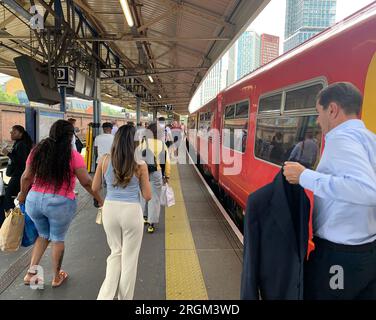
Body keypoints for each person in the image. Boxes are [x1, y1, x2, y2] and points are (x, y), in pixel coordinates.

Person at [283, 82, 376, 300]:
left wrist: (304, 176)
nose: (317, 120)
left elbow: (366, 190)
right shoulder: (370, 139)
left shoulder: (340, 138)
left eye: (318, 112)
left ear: (332, 109)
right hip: (368, 252)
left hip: (340, 256)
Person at [18, 120, 103, 288]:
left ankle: (31, 274)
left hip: (34, 200)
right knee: (57, 239)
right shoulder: (72, 156)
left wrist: (22, 194)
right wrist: (99, 199)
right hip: (59, 203)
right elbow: (86, 182)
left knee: (42, 235)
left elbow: (27, 176)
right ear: (70, 136)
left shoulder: (37, 151)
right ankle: (56, 277)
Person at [93, 125, 151, 300]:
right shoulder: (140, 164)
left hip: (110, 209)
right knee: (129, 259)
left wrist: (105, 201)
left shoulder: (104, 160)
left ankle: (105, 296)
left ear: (116, 140)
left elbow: (95, 187)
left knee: (115, 252)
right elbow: (147, 196)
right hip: (131, 212)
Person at [139, 122, 170, 233]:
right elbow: (166, 162)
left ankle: (144, 217)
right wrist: (167, 175)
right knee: (154, 198)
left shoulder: (143, 143)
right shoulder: (161, 144)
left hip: (143, 172)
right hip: (156, 172)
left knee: (143, 195)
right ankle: (151, 224)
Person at [2, 125, 33, 214]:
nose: (11, 134)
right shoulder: (18, 143)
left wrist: (8, 153)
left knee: (8, 196)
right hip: (18, 174)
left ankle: (12, 215)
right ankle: (18, 214)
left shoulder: (21, 144)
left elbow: (21, 161)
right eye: (11, 132)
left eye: (14, 132)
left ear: (21, 134)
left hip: (19, 175)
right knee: (16, 195)